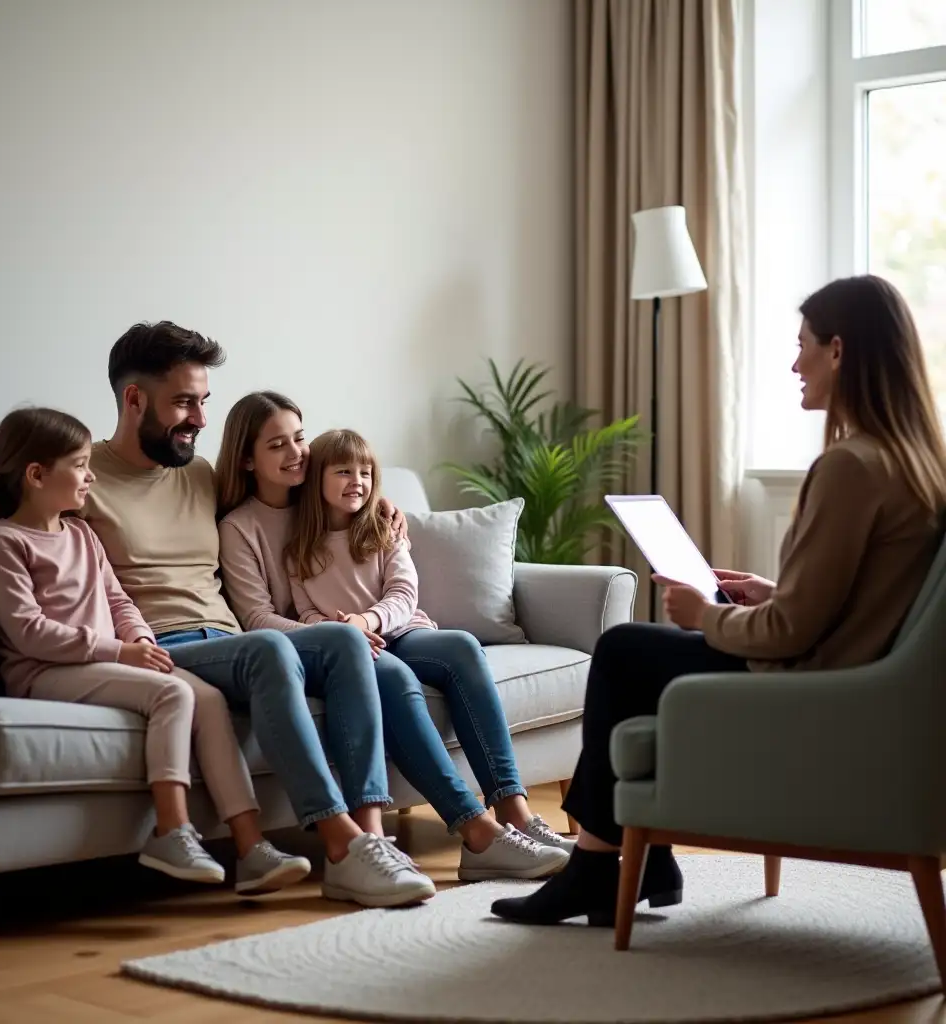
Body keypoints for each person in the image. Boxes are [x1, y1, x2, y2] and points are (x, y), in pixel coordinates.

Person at [490, 274, 946, 926]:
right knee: (642, 659)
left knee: (622, 650)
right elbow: (869, 601)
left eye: (803, 345)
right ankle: (646, 858)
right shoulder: (918, 462)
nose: (795, 364)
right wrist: (770, 592)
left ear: (839, 350)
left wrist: (708, 615)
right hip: (854, 677)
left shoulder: (851, 466)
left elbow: (790, 635)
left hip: (812, 684)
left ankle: (596, 867)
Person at [82, 321, 435, 908]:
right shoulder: (83, 477)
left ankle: (370, 838)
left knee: (343, 641)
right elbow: (25, 527)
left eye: (204, 401)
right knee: (271, 647)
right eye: (184, 402)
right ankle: (340, 844)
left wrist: (376, 506)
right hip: (166, 646)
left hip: (230, 640)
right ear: (134, 398)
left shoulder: (199, 474)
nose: (200, 418)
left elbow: (298, 489)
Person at [215, 395, 573, 883]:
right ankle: (476, 832)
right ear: (246, 459)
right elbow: (258, 617)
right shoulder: (241, 527)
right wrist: (339, 636)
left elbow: (360, 499)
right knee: (394, 676)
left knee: (462, 647)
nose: (296, 453)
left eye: (299, 438)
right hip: (316, 647)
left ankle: (516, 813)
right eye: (277, 445)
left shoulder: (325, 497)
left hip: (379, 629)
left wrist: (381, 508)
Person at [0, 407, 288, 890]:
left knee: (207, 698)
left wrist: (140, 639)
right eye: (80, 465)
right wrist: (119, 653)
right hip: (44, 672)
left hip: (105, 662)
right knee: (173, 694)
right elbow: (29, 632)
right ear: (36, 475)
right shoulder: (4, 542)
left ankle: (251, 846)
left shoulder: (81, 534)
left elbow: (118, 600)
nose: (90, 475)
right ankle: (171, 831)